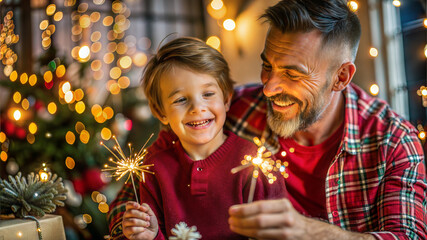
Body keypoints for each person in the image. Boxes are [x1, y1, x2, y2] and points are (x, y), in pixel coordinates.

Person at [109, 0, 427, 239]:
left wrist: (309, 231)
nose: (269, 87)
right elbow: (135, 195)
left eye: (291, 73)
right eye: (268, 65)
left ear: (341, 76)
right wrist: (134, 223)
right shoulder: (231, 109)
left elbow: (407, 236)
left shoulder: (394, 141)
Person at [109, 37, 287, 240]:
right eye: (181, 99)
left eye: (208, 93)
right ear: (160, 111)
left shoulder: (257, 163)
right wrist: (151, 235)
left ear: (227, 99)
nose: (197, 108)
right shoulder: (153, 166)